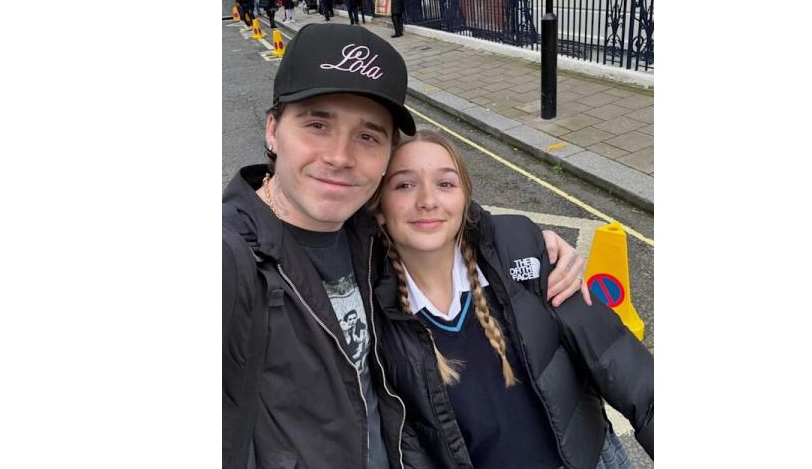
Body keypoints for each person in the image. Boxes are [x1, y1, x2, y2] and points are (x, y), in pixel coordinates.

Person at [222, 23, 590, 469]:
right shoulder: (232, 258)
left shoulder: (366, 230)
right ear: (273, 130)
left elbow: (436, 210)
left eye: (367, 136)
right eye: (317, 124)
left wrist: (528, 241)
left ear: (386, 157)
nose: (340, 156)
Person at [370, 130, 655, 468]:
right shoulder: (368, 304)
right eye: (404, 185)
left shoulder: (520, 245)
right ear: (379, 207)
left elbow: (618, 359)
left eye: (446, 184)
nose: (428, 200)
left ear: (465, 200)